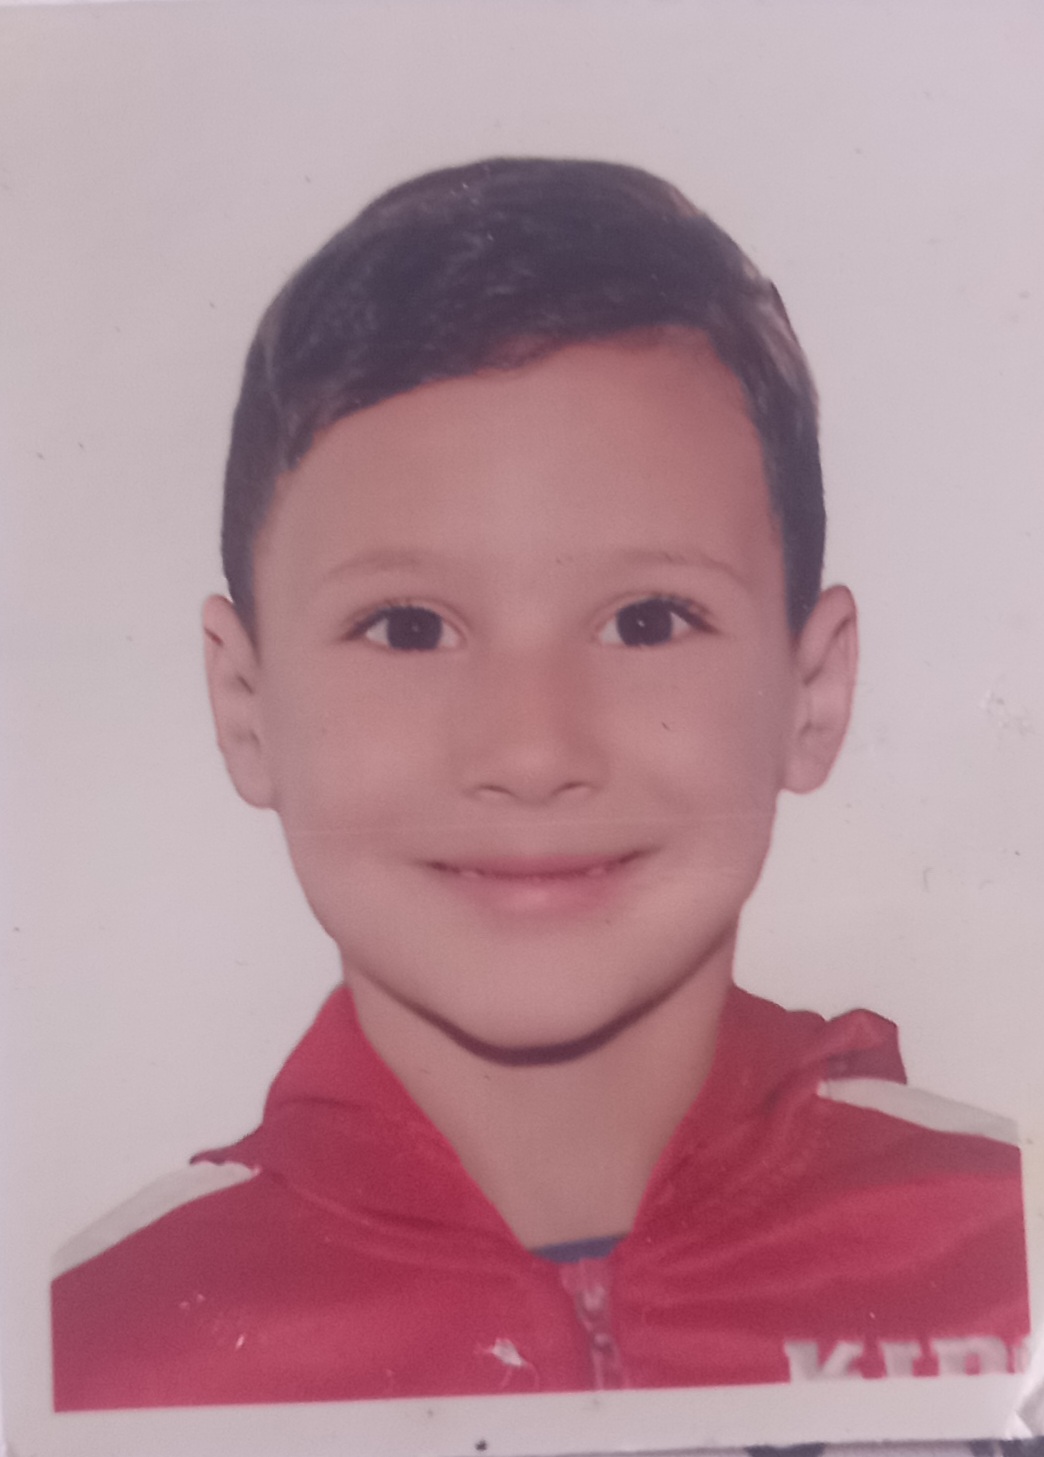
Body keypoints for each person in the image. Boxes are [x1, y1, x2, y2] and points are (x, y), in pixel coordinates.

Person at [51, 157, 1029, 1410]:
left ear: (815, 689)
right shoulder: (85, 1350)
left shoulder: (1005, 1249)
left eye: (647, 620)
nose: (530, 751)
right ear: (246, 705)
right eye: (409, 627)